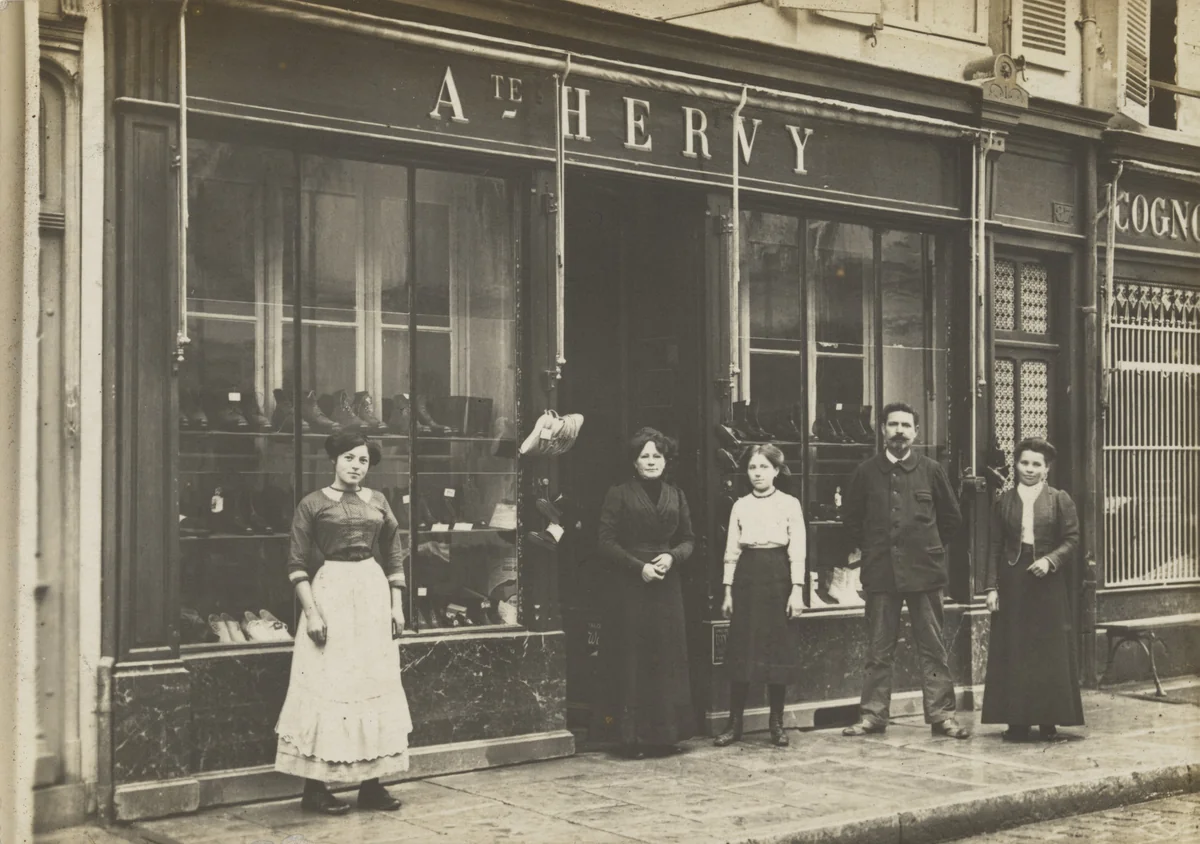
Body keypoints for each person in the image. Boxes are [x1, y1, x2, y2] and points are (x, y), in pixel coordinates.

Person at [275, 431, 412, 814]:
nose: (356, 466)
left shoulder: (378, 501)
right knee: (328, 681)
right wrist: (312, 613)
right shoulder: (312, 503)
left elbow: (393, 551)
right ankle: (314, 789)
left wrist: (396, 605)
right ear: (334, 460)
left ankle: (372, 785)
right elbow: (296, 562)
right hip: (330, 593)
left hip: (371, 593)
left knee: (372, 681)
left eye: (363, 460)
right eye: (349, 458)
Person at [841, 402, 968, 739]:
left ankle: (942, 716)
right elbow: (851, 520)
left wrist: (926, 546)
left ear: (916, 432)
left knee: (933, 648)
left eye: (906, 425)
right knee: (878, 649)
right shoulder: (866, 472)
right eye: (893, 424)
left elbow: (952, 519)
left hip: (925, 573)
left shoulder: (932, 470)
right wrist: (874, 548)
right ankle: (873, 715)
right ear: (882, 429)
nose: (899, 431)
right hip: (881, 574)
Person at [595, 427, 696, 758]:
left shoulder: (676, 494)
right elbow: (605, 541)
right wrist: (639, 567)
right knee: (633, 657)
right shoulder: (619, 494)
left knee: (666, 656)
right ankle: (631, 739)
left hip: (667, 585)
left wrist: (672, 557)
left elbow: (689, 539)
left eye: (657, 456)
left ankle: (665, 735)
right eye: (644, 456)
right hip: (630, 586)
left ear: (666, 461)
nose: (651, 461)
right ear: (634, 462)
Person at [982, 438, 1083, 741]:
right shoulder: (1004, 501)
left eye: (1036, 464)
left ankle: (1048, 721)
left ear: (1046, 468)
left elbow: (1072, 539)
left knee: (1047, 648)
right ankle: (1017, 722)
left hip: (1047, 582)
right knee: (1014, 647)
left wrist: (1050, 561)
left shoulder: (1059, 499)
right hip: (1013, 580)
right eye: (1024, 462)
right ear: (1016, 465)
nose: (1029, 469)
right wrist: (991, 588)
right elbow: (995, 546)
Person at [714, 444, 806, 749]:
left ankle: (776, 723)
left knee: (777, 651)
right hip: (747, 577)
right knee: (742, 649)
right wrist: (728, 591)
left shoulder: (790, 504)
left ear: (777, 471)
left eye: (764, 467)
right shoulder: (740, 506)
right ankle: (734, 724)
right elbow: (731, 551)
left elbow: (798, 550)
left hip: (778, 576)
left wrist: (797, 590)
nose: (758, 473)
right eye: (753, 467)